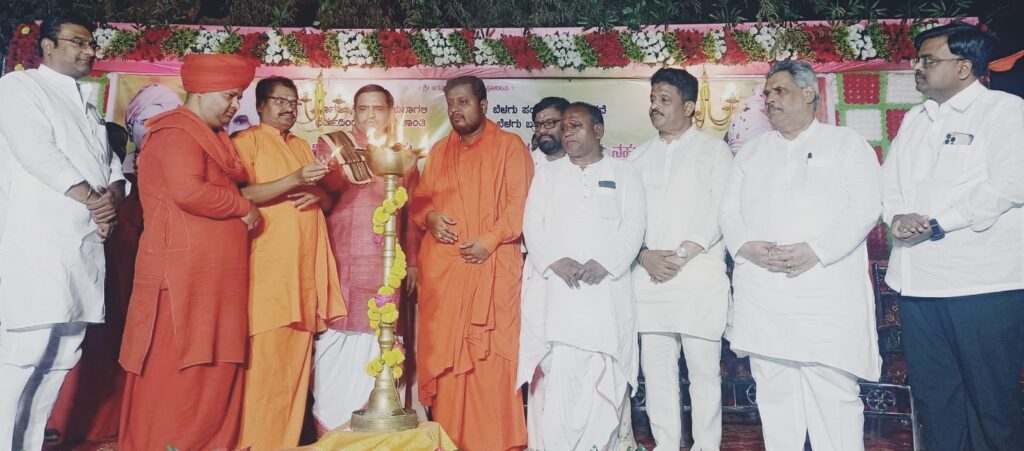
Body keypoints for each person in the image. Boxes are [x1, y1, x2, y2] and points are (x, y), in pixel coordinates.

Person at [718, 60, 882, 451]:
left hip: (825, 293)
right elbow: (728, 212)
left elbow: (865, 207)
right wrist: (747, 246)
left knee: (834, 400)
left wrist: (816, 251)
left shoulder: (845, 144)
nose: (770, 100)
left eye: (780, 90)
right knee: (775, 396)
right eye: (767, 93)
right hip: (766, 295)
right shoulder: (751, 153)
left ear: (809, 93)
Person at [882, 22, 1024, 450]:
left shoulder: (1004, 110)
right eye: (918, 59)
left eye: (928, 60)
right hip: (918, 285)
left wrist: (938, 222)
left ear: (964, 67)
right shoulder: (915, 118)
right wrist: (897, 216)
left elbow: (1010, 184)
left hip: (982, 286)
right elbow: (889, 183)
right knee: (936, 402)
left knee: (992, 404)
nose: (918, 67)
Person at [118, 53, 259, 451]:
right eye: (230, 96)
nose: (235, 105)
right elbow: (188, 190)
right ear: (202, 91)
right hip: (181, 280)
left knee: (212, 368)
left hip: (210, 280)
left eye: (239, 97)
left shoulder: (208, 136)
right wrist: (242, 206)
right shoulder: (177, 133)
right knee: (177, 371)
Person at [0, 15, 127, 451]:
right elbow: (38, 152)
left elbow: (111, 166)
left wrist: (110, 197)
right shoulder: (20, 88)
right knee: (22, 357)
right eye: (78, 42)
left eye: (92, 44)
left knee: (61, 358)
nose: (89, 51)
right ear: (47, 46)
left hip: (84, 246)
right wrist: (92, 200)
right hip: (35, 243)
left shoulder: (87, 106)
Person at [409, 76, 532, 450]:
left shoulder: (509, 147)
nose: (456, 109)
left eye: (463, 102)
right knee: (447, 366)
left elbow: (520, 206)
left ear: (484, 105)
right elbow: (421, 203)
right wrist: (430, 218)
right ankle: (450, 441)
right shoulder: (439, 151)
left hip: (491, 270)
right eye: (451, 103)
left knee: (491, 362)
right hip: (445, 276)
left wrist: (489, 241)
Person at [519, 102, 645, 450]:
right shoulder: (547, 175)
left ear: (598, 131)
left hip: (606, 298)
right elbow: (532, 225)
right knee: (561, 385)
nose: (567, 133)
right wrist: (555, 261)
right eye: (564, 127)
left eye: (575, 126)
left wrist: (606, 262)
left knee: (605, 385)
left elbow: (634, 227)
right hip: (561, 300)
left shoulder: (624, 173)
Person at [232, 76, 346, 450]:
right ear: (260, 106)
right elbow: (241, 194)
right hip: (269, 278)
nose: (288, 108)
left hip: (302, 278)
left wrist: (318, 196)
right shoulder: (246, 141)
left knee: (294, 378)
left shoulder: (300, 146)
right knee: (264, 374)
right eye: (279, 101)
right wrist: (295, 178)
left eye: (293, 102)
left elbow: (326, 200)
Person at [628, 68, 732, 451]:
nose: (655, 106)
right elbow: (628, 219)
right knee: (656, 374)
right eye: (653, 99)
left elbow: (722, 211)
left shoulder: (714, 151)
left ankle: (707, 446)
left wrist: (683, 253)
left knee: (705, 375)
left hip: (698, 278)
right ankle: (667, 444)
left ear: (689, 107)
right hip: (650, 280)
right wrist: (644, 256)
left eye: (665, 100)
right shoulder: (637, 158)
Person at [311, 83, 423, 433]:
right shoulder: (334, 147)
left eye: (378, 108)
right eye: (363, 108)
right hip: (341, 267)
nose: (370, 115)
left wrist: (413, 262)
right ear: (354, 112)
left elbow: (412, 215)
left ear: (390, 113)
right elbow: (322, 196)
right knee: (335, 355)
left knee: (383, 346)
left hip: (386, 272)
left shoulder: (403, 155)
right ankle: (332, 435)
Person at [122, 83, 183, 174]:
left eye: (167, 122)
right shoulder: (118, 171)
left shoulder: (187, 168)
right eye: (147, 122)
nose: (157, 130)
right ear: (130, 132)